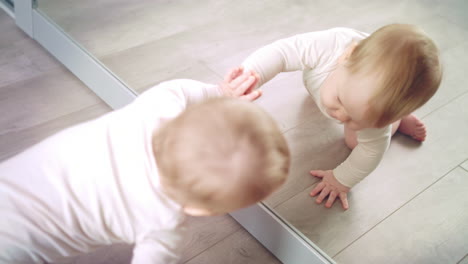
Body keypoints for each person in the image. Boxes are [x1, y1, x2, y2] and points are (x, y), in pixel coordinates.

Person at [0, 68, 290, 264]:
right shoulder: (163, 225)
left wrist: (219, 93)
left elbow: (178, 90)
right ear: (204, 210)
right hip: (19, 246)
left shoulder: (159, 110)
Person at [241, 24, 442, 210]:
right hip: (319, 80)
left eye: (356, 119)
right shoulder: (330, 46)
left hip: (371, 109)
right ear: (347, 56)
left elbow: (371, 153)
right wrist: (248, 79)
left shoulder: (371, 114)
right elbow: (281, 53)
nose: (340, 117)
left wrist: (342, 179)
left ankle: (398, 121)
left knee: (356, 143)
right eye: (341, 100)